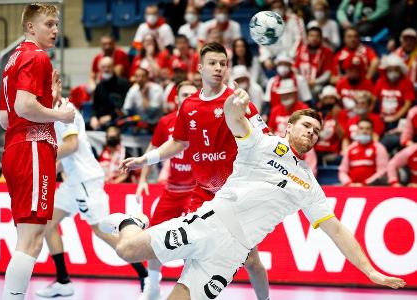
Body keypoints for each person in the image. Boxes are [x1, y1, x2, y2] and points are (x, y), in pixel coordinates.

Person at [100, 108, 406, 299]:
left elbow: (337, 231)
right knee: (127, 250)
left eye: (315, 131)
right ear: (289, 127)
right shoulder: (262, 143)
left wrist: (370, 272)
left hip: (231, 254)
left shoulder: (309, 185)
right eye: (306, 126)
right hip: (209, 223)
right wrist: (234, 105)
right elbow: (237, 122)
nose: (311, 133)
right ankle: (131, 221)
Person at [118, 43, 270, 300]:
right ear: (200, 68)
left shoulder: (238, 101)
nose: (219, 68)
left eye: (223, 63)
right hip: (203, 195)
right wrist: (145, 159)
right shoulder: (189, 106)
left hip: (235, 194)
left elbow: (266, 140)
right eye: (213, 63)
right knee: (194, 255)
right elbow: (178, 143)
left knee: (251, 261)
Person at [0, 4, 75, 299]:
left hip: (15, 148)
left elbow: (6, 118)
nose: (55, 30)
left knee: (28, 237)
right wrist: (61, 115)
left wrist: (50, 98)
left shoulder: (12, 59)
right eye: (49, 24)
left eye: (57, 24)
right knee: (32, 239)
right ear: (31, 27)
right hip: (32, 147)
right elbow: (24, 107)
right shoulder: (37, 56)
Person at [35, 102, 147, 297]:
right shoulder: (54, 113)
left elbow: (71, 146)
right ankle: (63, 281)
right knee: (48, 222)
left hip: (85, 181)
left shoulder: (64, 110)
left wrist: (39, 155)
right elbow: (67, 159)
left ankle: (145, 275)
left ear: (56, 85)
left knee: (102, 232)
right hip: (74, 182)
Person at [137, 81, 198, 300]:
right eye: (184, 94)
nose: (188, 97)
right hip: (172, 190)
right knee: (154, 239)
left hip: (196, 191)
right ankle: (153, 287)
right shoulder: (166, 122)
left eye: (193, 94)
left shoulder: (204, 119)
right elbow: (153, 149)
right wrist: (143, 179)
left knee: (196, 242)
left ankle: (191, 289)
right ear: (176, 99)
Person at [339, 118, 389, 186]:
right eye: (361, 128)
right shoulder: (350, 148)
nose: (364, 131)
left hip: (372, 187)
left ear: (372, 131)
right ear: (357, 131)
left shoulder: (379, 148)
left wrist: (365, 183)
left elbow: (382, 171)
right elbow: (342, 171)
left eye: (368, 128)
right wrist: (349, 183)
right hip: (352, 187)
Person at [89, 57, 130, 131]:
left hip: (117, 119)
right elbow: (95, 106)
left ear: (113, 67)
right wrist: (94, 117)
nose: (106, 69)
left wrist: (110, 116)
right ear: (100, 69)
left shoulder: (123, 83)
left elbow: (124, 106)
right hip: (100, 120)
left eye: (109, 66)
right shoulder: (99, 86)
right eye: (103, 67)